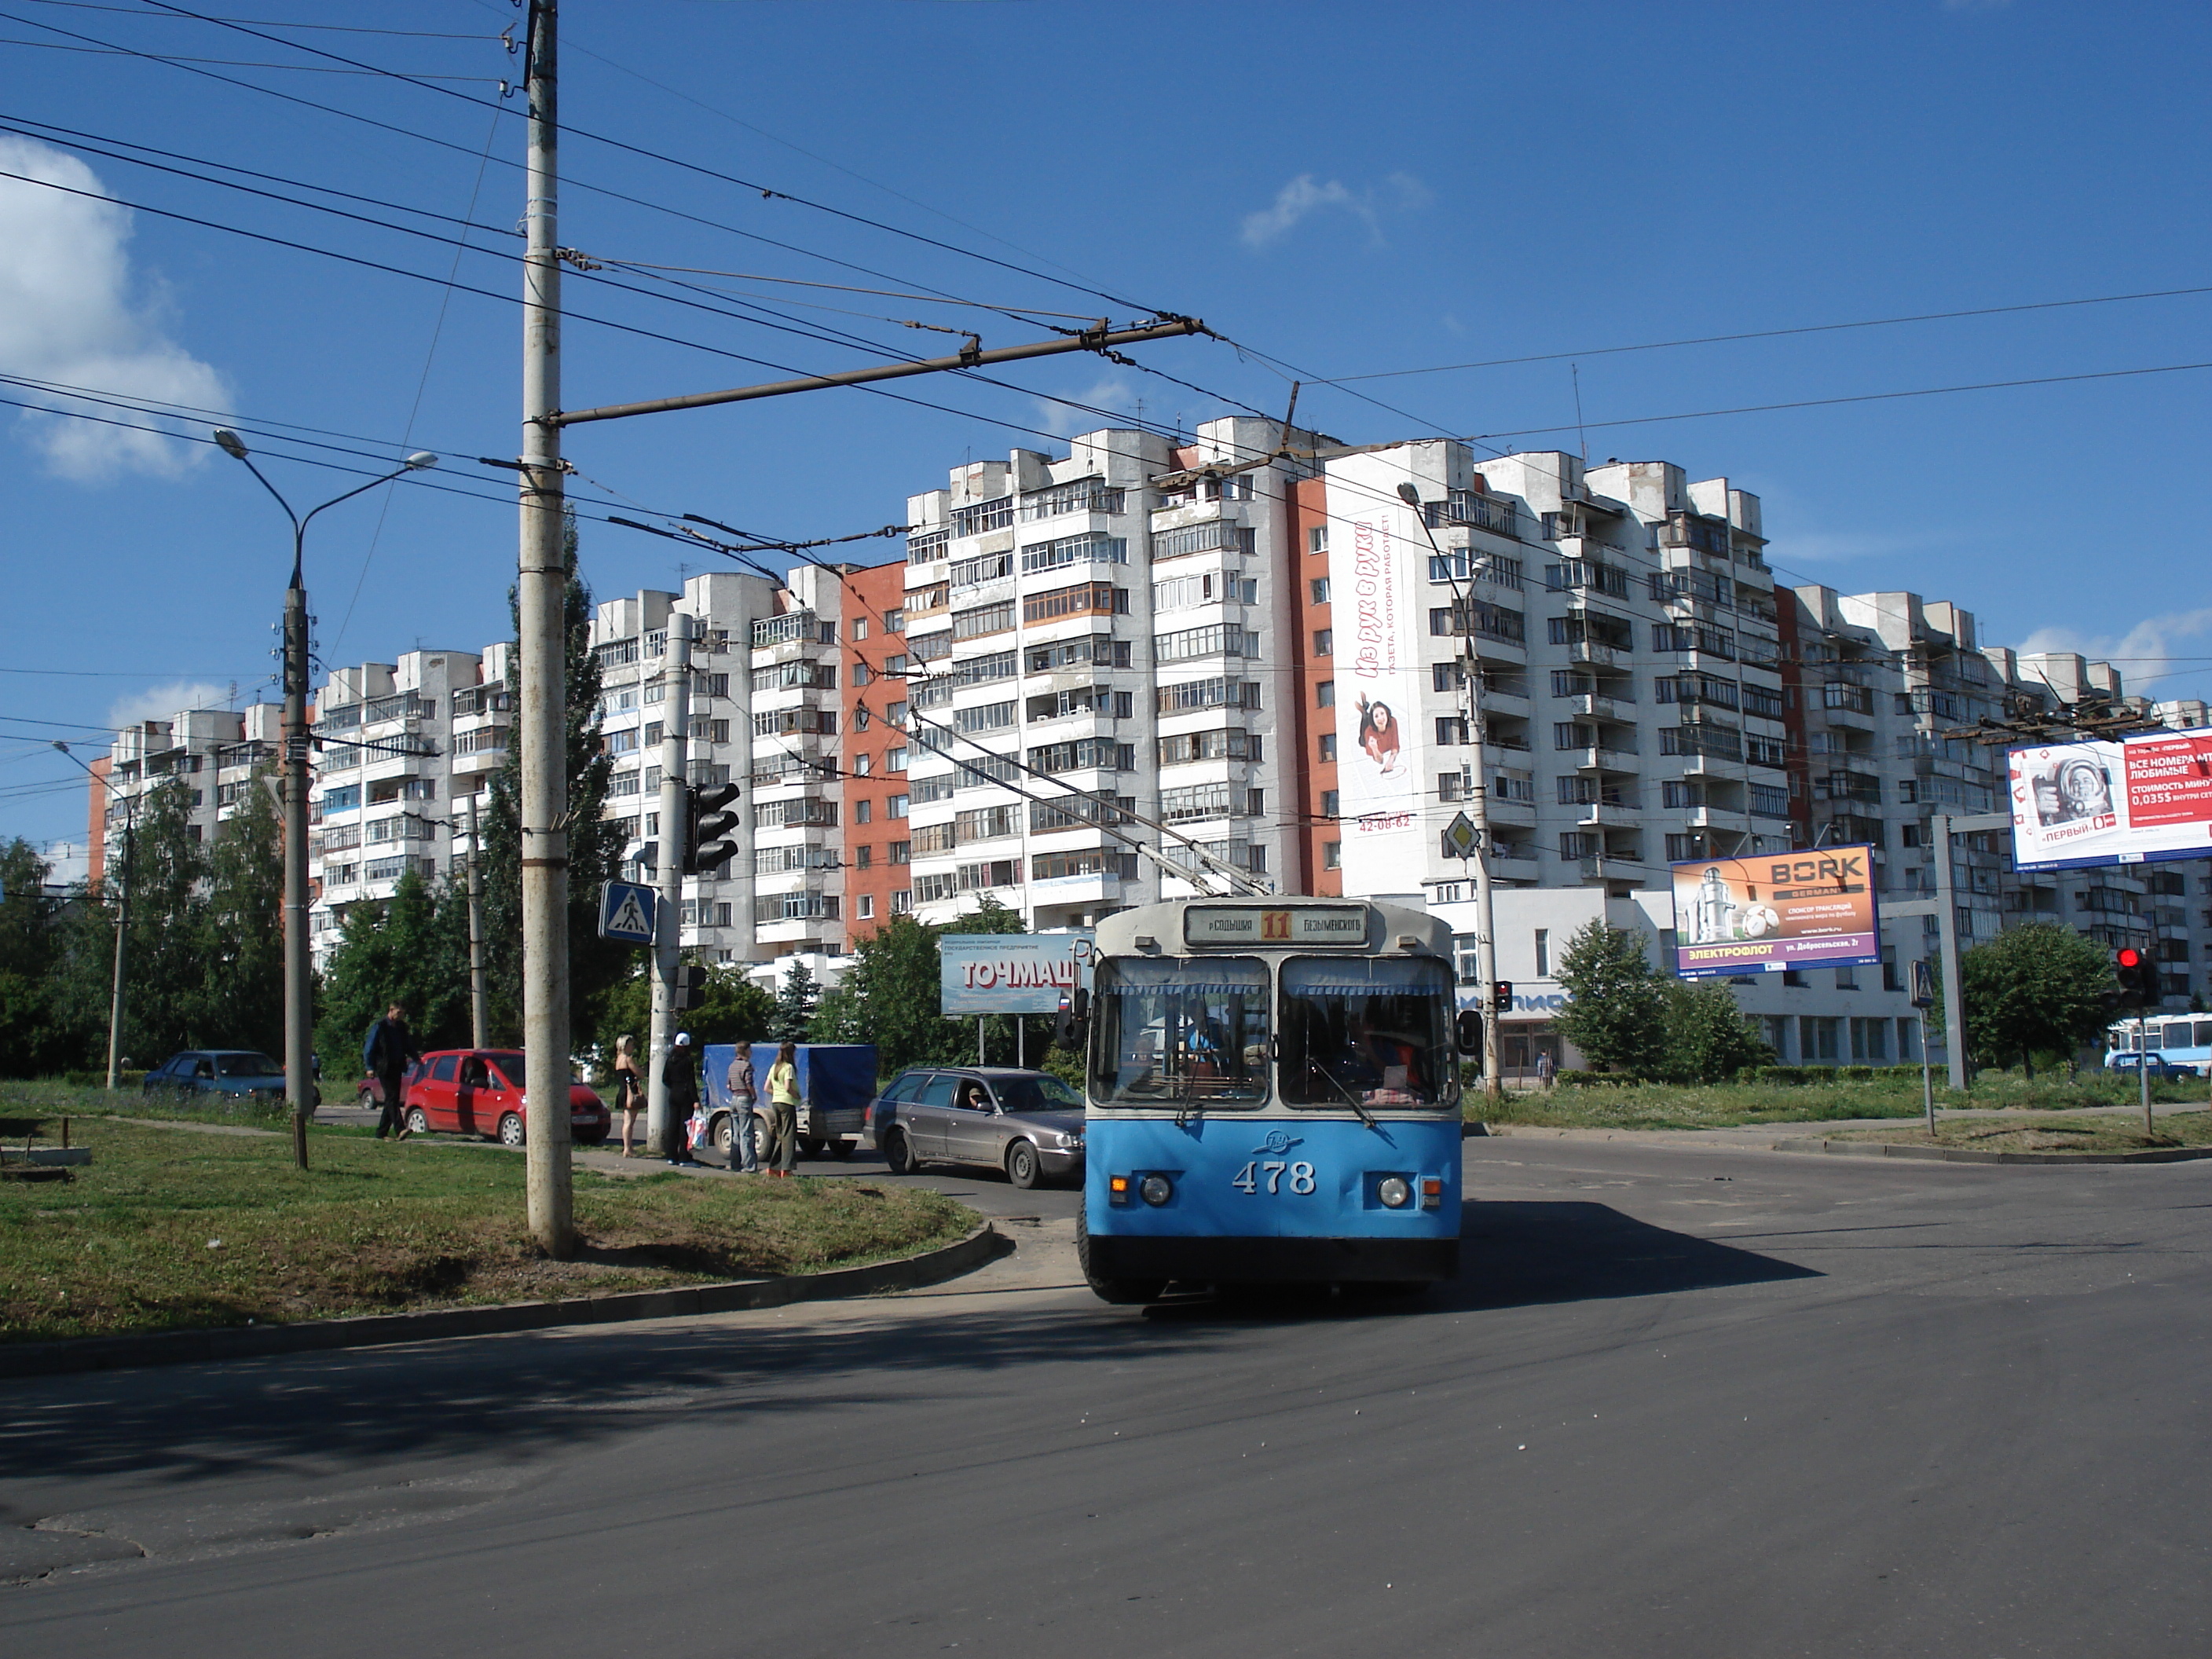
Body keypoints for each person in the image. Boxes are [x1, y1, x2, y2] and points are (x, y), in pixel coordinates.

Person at [365, 1002, 421, 1141]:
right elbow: (369, 1048)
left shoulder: (401, 1027)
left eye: (402, 1013)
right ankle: (400, 1128)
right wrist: (369, 1067)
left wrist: (416, 1058)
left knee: (393, 1098)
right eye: (399, 1012)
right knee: (391, 1097)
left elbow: (407, 1045)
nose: (401, 1016)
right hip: (384, 1066)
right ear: (391, 1010)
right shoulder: (380, 1026)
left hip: (397, 1065)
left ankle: (381, 1132)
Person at [762, 1040, 800, 1179]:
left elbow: (766, 1088)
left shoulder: (775, 1067)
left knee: (780, 1135)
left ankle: (774, 1167)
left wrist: (777, 1094)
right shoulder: (788, 1067)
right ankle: (787, 1169)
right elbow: (788, 1087)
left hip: (776, 1102)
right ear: (791, 1053)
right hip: (787, 1103)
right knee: (789, 1136)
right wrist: (797, 1095)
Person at [665, 1032, 700, 1165]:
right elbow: (691, 1082)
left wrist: (674, 1087)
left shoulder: (670, 1059)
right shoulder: (687, 1061)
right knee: (684, 1127)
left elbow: (665, 1079)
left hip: (673, 1094)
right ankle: (684, 1157)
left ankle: (671, 1156)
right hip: (685, 1096)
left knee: (672, 1125)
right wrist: (695, 1099)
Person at [723, 1046, 760, 1174]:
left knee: (736, 1133)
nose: (751, 1052)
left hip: (734, 1098)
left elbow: (728, 1085)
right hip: (744, 1098)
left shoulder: (732, 1065)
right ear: (745, 1051)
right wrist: (754, 1095)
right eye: (750, 1050)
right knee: (746, 1133)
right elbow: (748, 1083)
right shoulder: (746, 1066)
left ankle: (735, 1164)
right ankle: (749, 1165)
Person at [613, 1035, 643, 1157]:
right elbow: (640, 1074)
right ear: (626, 1046)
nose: (633, 1047)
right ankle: (628, 1148)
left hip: (622, 1090)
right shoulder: (628, 1059)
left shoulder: (618, 1059)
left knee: (627, 1121)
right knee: (630, 1122)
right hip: (630, 1092)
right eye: (631, 1044)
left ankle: (627, 1147)